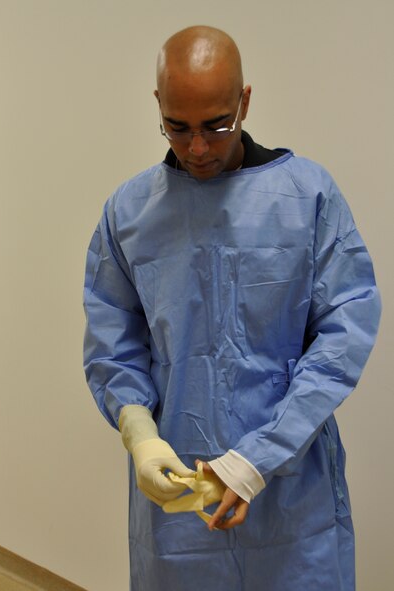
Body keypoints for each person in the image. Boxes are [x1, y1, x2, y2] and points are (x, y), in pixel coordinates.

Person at [83, 25, 381, 591]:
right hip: (180, 507)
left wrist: (255, 460)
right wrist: (140, 434)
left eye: (217, 126)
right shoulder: (128, 213)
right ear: (159, 107)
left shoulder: (307, 197)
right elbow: (112, 339)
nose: (198, 147)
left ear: (245, 102)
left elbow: (344, 334)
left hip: (293, 494)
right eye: (178, 127)